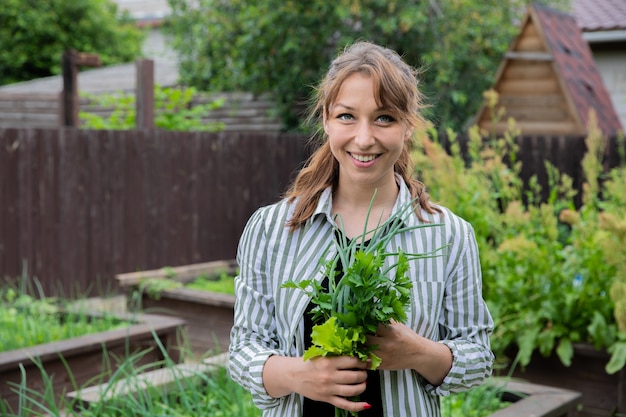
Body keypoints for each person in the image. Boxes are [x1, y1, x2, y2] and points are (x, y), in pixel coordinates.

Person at [229, 41, 494, 416]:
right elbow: (243, 349)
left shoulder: (448, 235)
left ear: (407, 126)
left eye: (384, 117)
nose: (364, 138)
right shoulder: (272, 228)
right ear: (326, 120)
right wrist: (298, 375)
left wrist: (417, 352)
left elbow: (479, 358)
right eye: (347, 117)